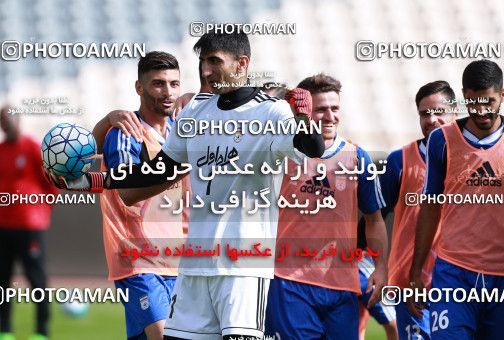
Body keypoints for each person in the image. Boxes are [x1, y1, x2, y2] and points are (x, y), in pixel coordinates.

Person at [45, 32, 324, 340]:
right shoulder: (195, 113)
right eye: (203, 62)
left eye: (215, 61)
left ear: (242, 63)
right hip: (194, 265)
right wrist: (92, 181)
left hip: (242, 265)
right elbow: (160, 171)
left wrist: (303, 117)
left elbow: (312, 148)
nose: (206, 70)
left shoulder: (271, 112)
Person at [264, 73, 388, 339]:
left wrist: (380, 267)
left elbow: (374, 219)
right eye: (320, 109)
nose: (330, 116)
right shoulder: (283, 153)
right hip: (290, 283)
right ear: (308, 113)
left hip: (342, 287)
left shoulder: (358, 158)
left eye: (335, 108)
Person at [409, 59, 504, 339]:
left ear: (503, 95)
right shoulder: (441, 140)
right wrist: (416, 271)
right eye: (474, 102)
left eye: (488, 101)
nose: (481, 110)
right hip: (454, 273)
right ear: (465, 96)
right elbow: (430, 206)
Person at [92, 51, 188, 340]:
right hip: (137, 259)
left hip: (177, 261)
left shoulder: (179, 130)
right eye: (158, 83)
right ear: (139, 87)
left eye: (174, 84)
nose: (168, 92)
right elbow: (126, 192)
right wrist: (180, 169)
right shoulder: (125, 133)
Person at [379, 81, 458, 340]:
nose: (432, 120)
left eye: (439, 112)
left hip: (461, 283)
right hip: (411, 285)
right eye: (425, 114)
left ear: (455, 114)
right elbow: (374, 217)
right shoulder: (398, 161)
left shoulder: (474, 161)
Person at [0, 107, 59, 340]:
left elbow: (51, 183)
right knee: (2, 280)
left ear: (18, 119)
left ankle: (41, 331)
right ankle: (4, 329)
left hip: (30, 226)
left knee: (36, 279)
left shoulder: (32, 147)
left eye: (8, 119)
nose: (5, 124)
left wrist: (41, 209)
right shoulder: (1, 151)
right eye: (2, 121)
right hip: (3, 226)